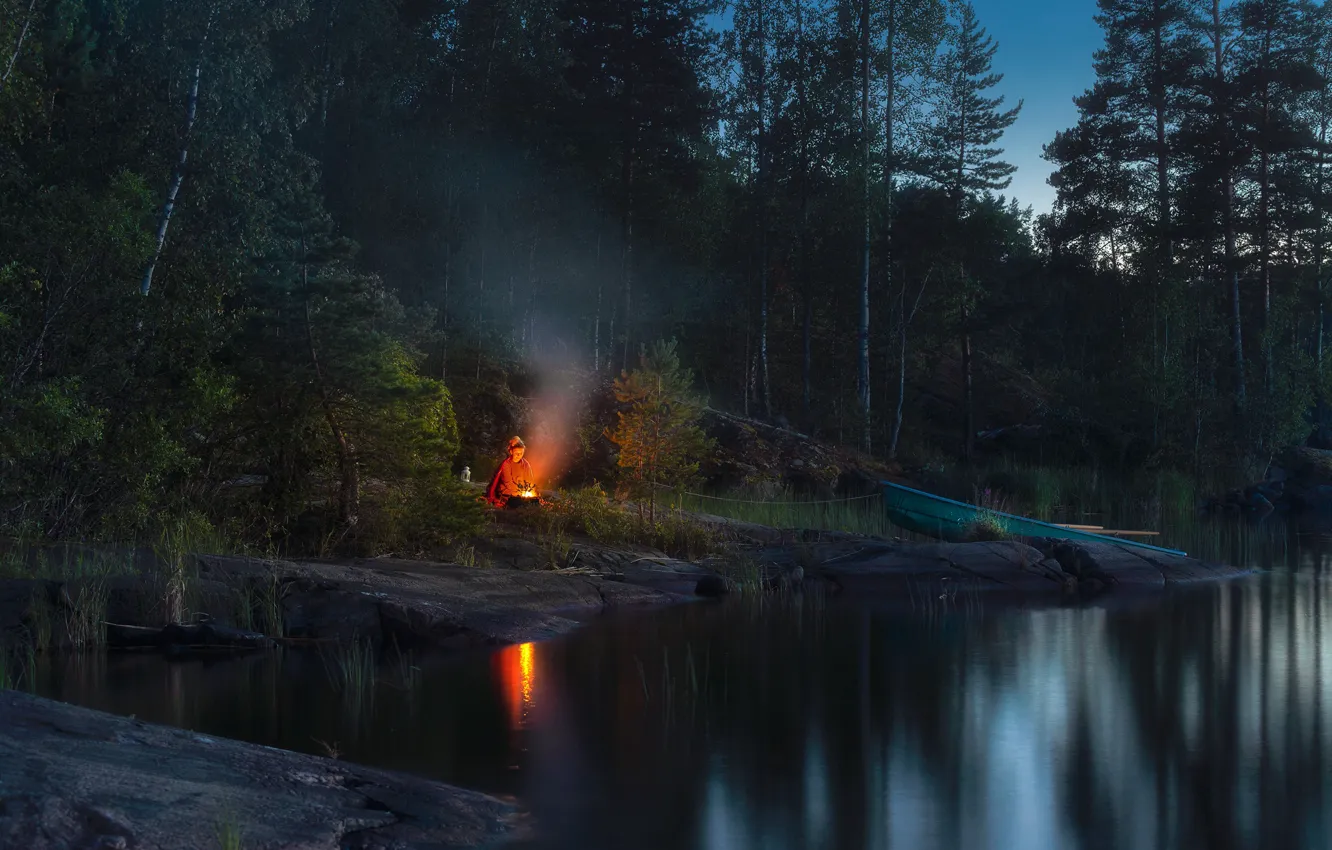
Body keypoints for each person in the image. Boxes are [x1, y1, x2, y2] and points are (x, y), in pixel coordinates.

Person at [486, 436, 536, 507]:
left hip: (522, 492)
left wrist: (530, 491)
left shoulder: (526, 464)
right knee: (516, 501)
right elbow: (508, 484)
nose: (519, 455)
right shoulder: (506, 464)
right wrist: (521, 492)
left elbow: (530, 481)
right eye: (516, 453)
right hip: (507, 492)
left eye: (521, 453)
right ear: (511, 452)